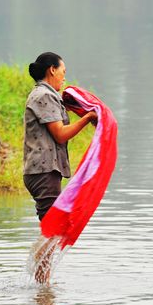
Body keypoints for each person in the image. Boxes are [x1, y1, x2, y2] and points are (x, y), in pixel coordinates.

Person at [23, 52, 96, 220]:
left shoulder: (45, 94)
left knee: (51, 226)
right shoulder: (45, 95)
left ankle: (43, 248)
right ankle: (42, 248)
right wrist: (88, 118)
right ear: (52, 70)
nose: (64, 78)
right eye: (63, 72)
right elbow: (60, 135)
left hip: (42, 171)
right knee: (53, 227)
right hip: (44, 171)